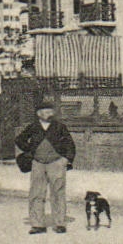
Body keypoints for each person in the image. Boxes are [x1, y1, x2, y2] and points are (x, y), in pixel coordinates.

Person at [14, 97, 75, 235]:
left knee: (58, 193)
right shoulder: (33, 127)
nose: (49, 114)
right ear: (39, 113)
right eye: (46, 111)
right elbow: (19, 139)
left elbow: (70, 144)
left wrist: (66, 159)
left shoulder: (60, 127)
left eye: (51, 111)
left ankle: (59, 223)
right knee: (36, 193)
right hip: (38, 163)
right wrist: (30, 150)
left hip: (56, 163)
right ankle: (38, 225)